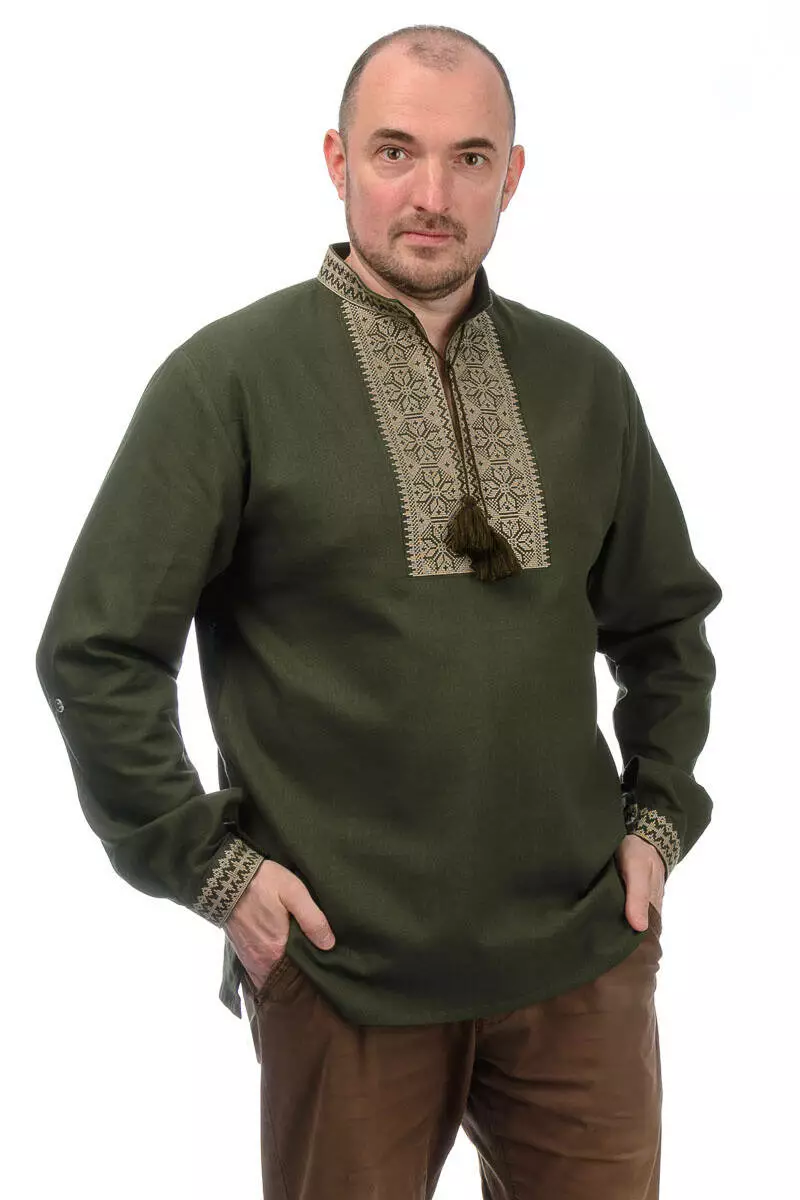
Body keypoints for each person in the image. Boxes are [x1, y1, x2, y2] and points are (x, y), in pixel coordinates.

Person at [34, 22, 722, 1200]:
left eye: (468, 158)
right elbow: (96, 653)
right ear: (335, 160)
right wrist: (212, 870)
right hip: (342, 971)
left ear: (511, 174)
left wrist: (655, 822)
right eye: (394, 151)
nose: (430, 195)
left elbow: (664, 628)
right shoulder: (226, 382)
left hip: (579, 963)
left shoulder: (583, 382)